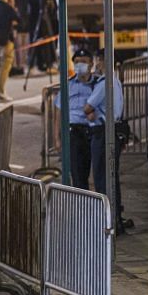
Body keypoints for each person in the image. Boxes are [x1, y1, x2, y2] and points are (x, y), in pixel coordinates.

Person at [84, 49, 127, 230]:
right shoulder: (115, 81)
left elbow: (87, 107)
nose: (97, 64)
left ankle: (107, 220)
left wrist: (90, 111)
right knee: (111, 176)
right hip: (113, 131)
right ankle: (116, 218)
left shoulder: (104, 83)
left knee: (102, 177)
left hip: (103, 134)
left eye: (99, 61)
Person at [54, 49, 97, 190]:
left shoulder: (97, 84)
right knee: (77, 174)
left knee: (94, 172)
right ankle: (82, 203)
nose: (80, 65)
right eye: (77, 62)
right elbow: (59, 112)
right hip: (73, 132)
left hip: (92, 131)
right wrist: (57, 138)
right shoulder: (68, 85)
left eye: (83, 62)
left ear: (91, 64)